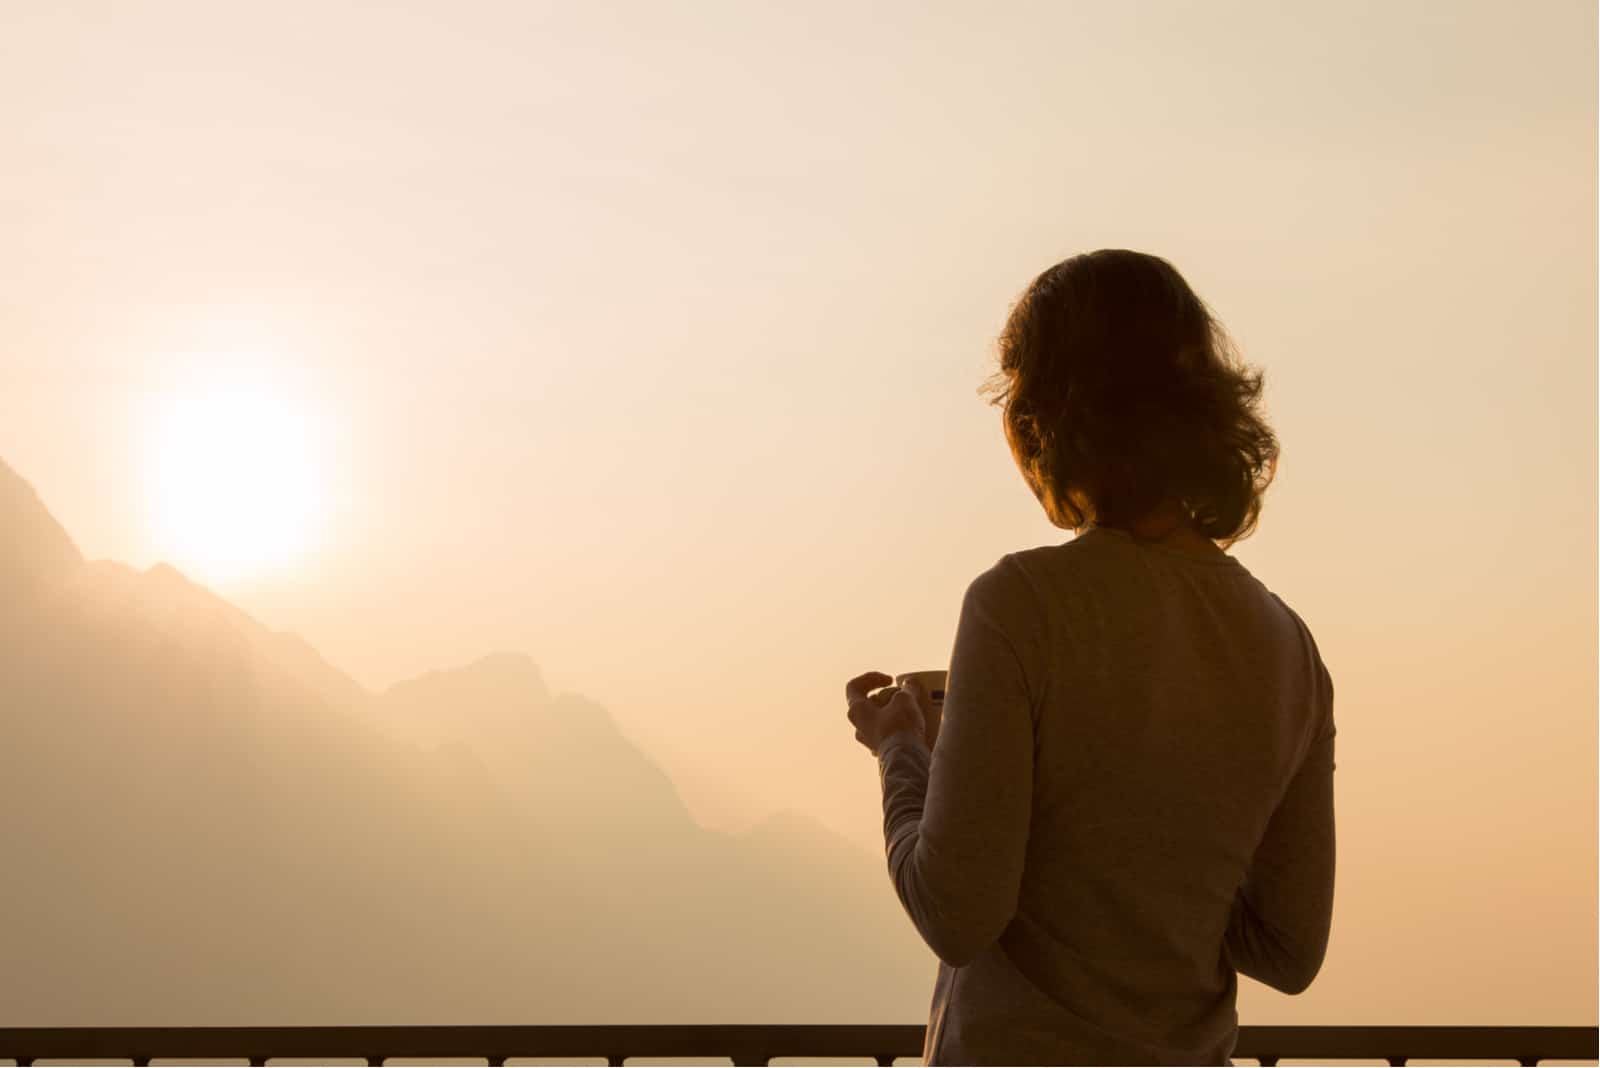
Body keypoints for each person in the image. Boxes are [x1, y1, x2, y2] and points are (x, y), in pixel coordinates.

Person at [844, 249, 1337, 1067]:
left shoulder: (1022, 604)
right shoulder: (1287, 646)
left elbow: (957, 914)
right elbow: (1288, 951)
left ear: (1047, 414)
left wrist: (901, 749)